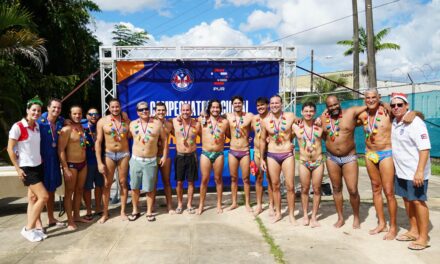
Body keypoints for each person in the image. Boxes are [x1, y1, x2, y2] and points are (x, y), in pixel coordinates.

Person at [391, 93, 431, 250]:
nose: (396, 108)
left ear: (407, 106)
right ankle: (413, 230)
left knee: (418, 201)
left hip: (415, 171)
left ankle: (423, 237)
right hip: (401, 171)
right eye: (393, 105)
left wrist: (420, 171)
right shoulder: (395, 121)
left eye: (400, 105)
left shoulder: (416, 122)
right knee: (407, 199)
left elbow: (425, 147)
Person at [321, 95, 366, 229]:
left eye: (335, 104)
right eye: (330, 106)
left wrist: (384, 104)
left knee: (352, 190)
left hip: (349, 158)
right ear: (327, 107)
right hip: (331, 158)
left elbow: (370, 105)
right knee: (336, 188)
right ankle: (340, 217)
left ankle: (356, 217)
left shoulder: (350, 112)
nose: (333, 107)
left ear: (339, 103)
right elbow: (323, 135)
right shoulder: (323, 118)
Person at [7, 97, 49, 242]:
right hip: (27, 168)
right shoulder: (18, 126)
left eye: (38, 110)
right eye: (33, 110)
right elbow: (10, 149)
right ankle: (28, 229)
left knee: (32, 198)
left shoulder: (36, 126)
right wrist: (18, 169)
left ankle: (35, 228)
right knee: (44, 197)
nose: (36, 113)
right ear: (27, 111)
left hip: (38, 165)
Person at [358, 88, 397, 240]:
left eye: (374, 97)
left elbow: (408, 115)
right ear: (364, 99)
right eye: (368, 98)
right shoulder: (363, 115)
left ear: (379, 97)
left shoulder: (388, 111)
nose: (371, 100)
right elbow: (345, 122)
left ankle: (393, 227)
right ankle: (382, 223)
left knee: (388, 191)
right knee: (375, 188)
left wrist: (413, 114)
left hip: (386, 153)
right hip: (369, 154)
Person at [260, 95, 297, 224]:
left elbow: (304, 123)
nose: (274, 105)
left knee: (290, 186)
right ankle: (278, 213)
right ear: (269, 105)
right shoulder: (265, 120)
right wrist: (261, 159)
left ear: (281, 104)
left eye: (277, 103)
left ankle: (292, 215)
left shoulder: (291, 116)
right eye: (272, 103)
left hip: (287, 154)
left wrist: (320, 119)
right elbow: (262, 140)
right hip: (271, 155)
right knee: (275, 185)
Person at [128, 101, 168, 222]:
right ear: (137, 112)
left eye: (146, 109)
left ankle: (149, 211)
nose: (144, 111)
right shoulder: (132, 124)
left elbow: (165, 140)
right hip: (136, 160)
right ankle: (135, 210)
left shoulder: (157, 124)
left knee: (150, 188)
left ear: (149, 110)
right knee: (134, 187)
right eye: (141, 110)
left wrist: (164, 156)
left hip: (151, 160)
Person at [95, 98, 130, 223]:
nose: (115, 109)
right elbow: (98, 142)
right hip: (108, 154)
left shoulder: (126, 120)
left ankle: (123, 211)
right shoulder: (102, 121)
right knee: (107, 184)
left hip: (124, 154)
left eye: (117, 106)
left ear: (120, 107)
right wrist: (99, 162)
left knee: (123, 182)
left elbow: (134, 134)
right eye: (113, 107)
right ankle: (105, 213)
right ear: (109, 108)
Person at [58, 105, 92, 230]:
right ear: (70, 115)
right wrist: (65, 168)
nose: (77, 116)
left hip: (83, 163)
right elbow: (60, 149)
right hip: (71, 164)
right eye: (74, 114)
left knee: (79, 190)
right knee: (69, 193)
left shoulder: (82, 128)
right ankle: (70, 220)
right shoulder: (66, 129)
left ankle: (76, 215)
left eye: (79, 113)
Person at [292, 102, 324, 227]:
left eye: (311, 111)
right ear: (301, 112)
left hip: (318, 161)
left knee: (316, 189)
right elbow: (285, 135)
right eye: (306, 111)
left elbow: (328, 113)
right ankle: (305, 215)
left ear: (314, 112)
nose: (308, 113)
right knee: (304, 189)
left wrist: (320, 118)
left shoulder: (320, 126)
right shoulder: (296, 127)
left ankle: (314, 217)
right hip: (304, 161)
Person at [197, 99, 229, 215]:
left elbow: (231, 135)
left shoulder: (225, 122)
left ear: (220, 109)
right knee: (204, 180)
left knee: (218, 179)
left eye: (217, 107)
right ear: (209, 109)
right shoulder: (202, 120)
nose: (215, 109)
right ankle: (201, 205)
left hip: (219, 153)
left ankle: (219, 204)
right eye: (213, 107)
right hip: (205, 153)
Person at [37, 98, 65, 227]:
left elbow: (76, 121)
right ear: (48, 108)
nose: (56, 110)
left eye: (58, 108)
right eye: (54, 107)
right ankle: (38, 223)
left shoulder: (60, 122)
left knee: (51, 191)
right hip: (40, 162)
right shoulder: (39, 123)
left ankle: (51, 218)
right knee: (38, 195)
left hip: (53, 161)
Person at [225, 96, 254, 212]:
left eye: (239, 103)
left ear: (242, 104)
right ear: (232, 105)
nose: (237, 105)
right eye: (235, 103)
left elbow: (260, 123)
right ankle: (234, 202)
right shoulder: (228, 116)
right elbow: (212, 116)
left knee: (246, 178)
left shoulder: (249, 116)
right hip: (232, 150)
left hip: (245, 150)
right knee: (233, 178)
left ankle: (247, 203)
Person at [171, 103, 201, 214]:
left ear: (191, 111)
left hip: (191, 155)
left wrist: (203, 115)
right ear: (180, 111)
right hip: (179, 156)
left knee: (191, 182)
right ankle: (179, 204)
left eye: (187, 110)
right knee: (179, 182)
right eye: (183, 110)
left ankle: (189, 204)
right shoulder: (174, 121)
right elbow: (159, 119)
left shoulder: (197, 123)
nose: (185, 112)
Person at [251, 97, 274, 216]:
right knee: (258, 178)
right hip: (257, 153)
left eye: (262, 105)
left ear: (268, 105)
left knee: (270, 179)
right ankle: (259, 205)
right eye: (258, 105)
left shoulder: (273, 118)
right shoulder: (254, 118)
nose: (260, 107)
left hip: (270, 153)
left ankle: (271, 205)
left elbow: (294, 121)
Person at [152, 102, 175, 214]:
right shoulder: (150, 122)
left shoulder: (169, 124)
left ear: (166, 111)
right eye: (159, 110)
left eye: (163, 110)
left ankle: (170, 206)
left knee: (167, 182)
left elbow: (180, 134)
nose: (161, 112)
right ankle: (151, 206)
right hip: (152, 156)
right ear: (155, 111)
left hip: (165, 156)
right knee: (153, 183)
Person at [82, 108, 103, 219]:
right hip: (87, 161)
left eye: (96, 114)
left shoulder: (101, 125)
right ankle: (89, 210)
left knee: (99, 185)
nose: (94, 116)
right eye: (91, 114)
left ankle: (98, 208)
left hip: (100, 160)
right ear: (86, 115)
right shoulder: (81, 125)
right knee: (87, 187)